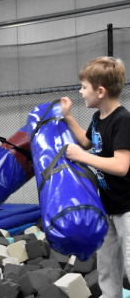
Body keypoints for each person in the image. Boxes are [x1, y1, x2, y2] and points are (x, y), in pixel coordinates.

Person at [61, 56, 130, 298]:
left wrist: (82, 156)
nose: (80, 92)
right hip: (108, 207)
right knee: (107, 268)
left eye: (84, 87)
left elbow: (122, 166)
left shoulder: (122, 120)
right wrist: (68, 116)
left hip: (128, 209)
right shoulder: (97, 118)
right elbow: (86, 142)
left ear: (100, 91)